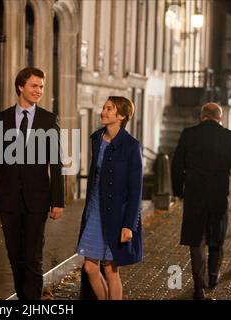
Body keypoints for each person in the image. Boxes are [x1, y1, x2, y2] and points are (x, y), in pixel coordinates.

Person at [0, 67, 65, 300]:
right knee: (15, 257)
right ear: (21, 86)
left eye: (41, 87)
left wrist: (58, 201)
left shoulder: (48, 120)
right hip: (8, 200)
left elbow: (55, 163)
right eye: (34, 86)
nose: (39, 90)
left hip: (37, 200)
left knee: (33, 258)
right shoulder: (2, 118)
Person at [171, 102, 231, 300]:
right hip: (219, 197)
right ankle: (212, 276)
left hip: (194, 196)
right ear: (219, 118)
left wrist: (179, 191)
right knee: (216, 238)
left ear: (202, 116)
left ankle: (198, 287)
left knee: (196, 241)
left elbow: (176, 165)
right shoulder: (229, 137)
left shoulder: (189, 134)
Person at [77, 96, 143, 300]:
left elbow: (136, 190)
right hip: (94, 210)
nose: (103, 112)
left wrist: (129, 225)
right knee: (89, 267)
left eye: (109, 109)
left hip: (117, 214)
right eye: (104, 108)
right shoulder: (97, 138)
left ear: (121, 116)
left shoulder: (131, 146)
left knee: (111, 270)